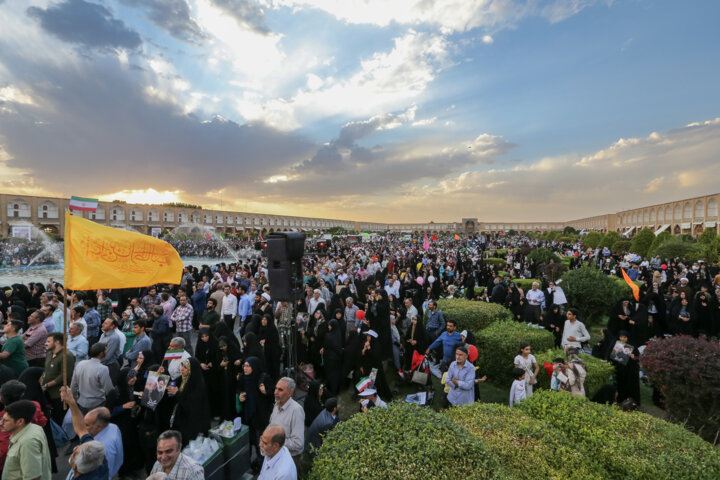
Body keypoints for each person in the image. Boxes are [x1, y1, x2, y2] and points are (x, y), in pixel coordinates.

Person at [59, 387, 122, 479]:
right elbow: (81, 430)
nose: (76, 447)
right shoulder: (97, 457)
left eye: (76, 452)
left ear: (74, 467)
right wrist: (71, 403)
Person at [1, 400, 52, 480]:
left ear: (20, 421)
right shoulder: (33, 427)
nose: (1, 423)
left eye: (5, 420)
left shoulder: (27, 443)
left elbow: (33, 477)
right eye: (1, 419)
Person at [165, 358, 211, 446]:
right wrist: (163, 373)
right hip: (181, 422)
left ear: (191, 370)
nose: (181, 369)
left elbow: (191, 406)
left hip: (193, 426)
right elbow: (170, 384)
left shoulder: (197, 385)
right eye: (181, 366)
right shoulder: (182, 379)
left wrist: (177, 393)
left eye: (185, 367)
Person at [269, 377, 304, 475]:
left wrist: (275, 443)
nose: (276, 392)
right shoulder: (277, 404)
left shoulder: (296, 411)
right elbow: (272, 424)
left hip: (291, 459)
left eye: (280, 390)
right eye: (276, 388)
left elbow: (298, 443)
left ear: (290, 393)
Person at [41, 332, 76, 425]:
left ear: (56, 342)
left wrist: (47, 385)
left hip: (59, 395)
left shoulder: (67, 356)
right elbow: (46, 370)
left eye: (48, 341)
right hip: (48, 393)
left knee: (60, 418)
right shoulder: (49, 354)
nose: (46, 343)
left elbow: (64, 375)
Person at [70, 343, 114, 412]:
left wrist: (75, 400)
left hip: (81, 402)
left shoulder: (80, 364)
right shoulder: (103, 369)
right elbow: (109, 389)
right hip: (97, 404)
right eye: (106, 350)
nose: (107, 352)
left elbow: (73, 385)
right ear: (101, 353)